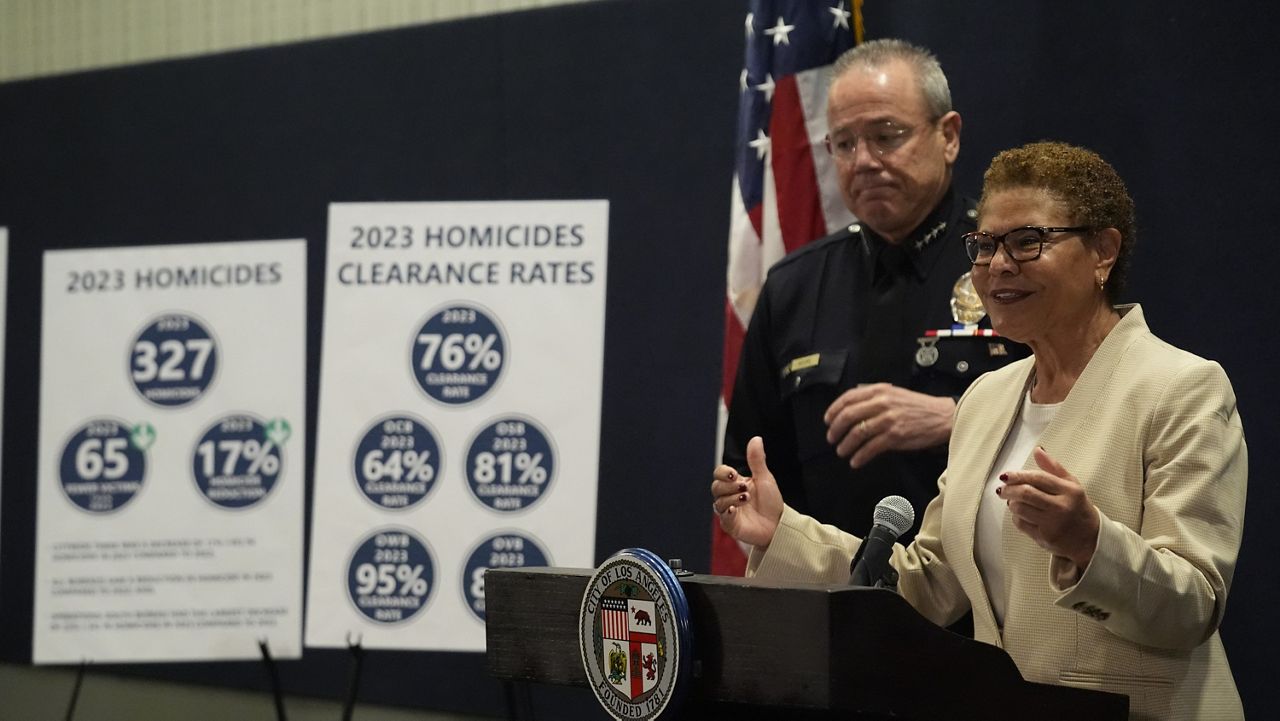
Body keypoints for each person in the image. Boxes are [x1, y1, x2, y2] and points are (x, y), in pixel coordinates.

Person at [713, 141, 1246, 720]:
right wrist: (781, 533)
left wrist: (1091, 543)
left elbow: (1195, 605)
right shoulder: (987, 400)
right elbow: (926, 584)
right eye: (984, 245)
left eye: (1027, 242)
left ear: (1103, 252)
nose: (997, 265)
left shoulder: (1181, 387)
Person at [723, 39, 1028, 541]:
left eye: (886, 136)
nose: (863, 160)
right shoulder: (793, 287)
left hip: (983, 602)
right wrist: (737, 494)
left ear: (948, 136)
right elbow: (751, 468)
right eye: (843, 143)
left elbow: (1085, 429)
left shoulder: (1013, 262)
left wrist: (959, 419)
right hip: (831, 599)